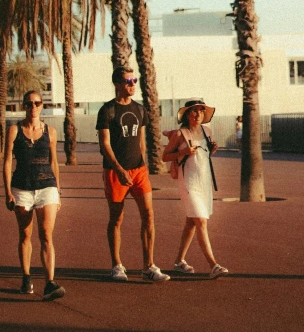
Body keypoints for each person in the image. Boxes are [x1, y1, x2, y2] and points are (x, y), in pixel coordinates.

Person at [96, 67, 170, 282]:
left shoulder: (139, 109)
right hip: (115, 172)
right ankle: (116, 265)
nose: (132, 85)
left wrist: (143, 165)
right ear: (117, 84)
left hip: (139, 171)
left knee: (148, 215)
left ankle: (149, 266)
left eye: (134, 80)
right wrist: (119, 170)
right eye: (128, 81)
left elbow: (141, 141)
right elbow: (104, 144)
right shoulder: (107, 111)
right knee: (116, 218)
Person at [3, 90, 65, 301]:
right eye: (29, 104)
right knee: (25, 235)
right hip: (22, 188)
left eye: (37, 103)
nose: (33, 107)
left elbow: (54, 162)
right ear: (24, 106)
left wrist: (58, 190)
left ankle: (50, 282)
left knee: (46, 234)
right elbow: (7, 162)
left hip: (47, 186)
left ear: (42, 105)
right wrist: (7, 192)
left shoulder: (51, 132)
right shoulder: (13, 130)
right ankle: (27, 276)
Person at [163, 98, 228, 278]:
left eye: (201, 111)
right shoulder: (180, 134)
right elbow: (164, 156)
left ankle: (179, 262)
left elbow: (204, 155)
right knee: (201, 220)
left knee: (191, 222)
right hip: (189, 182)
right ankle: (213, 265)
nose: (198, 114)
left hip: (204, 182)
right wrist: (183, 152)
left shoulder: (207, 131)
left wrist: (212, 148)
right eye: (194, 111)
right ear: (187, 114)